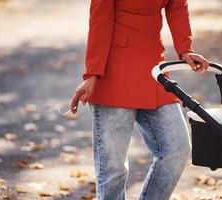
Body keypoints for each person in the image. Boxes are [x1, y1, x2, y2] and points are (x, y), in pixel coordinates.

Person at [70, 0, 208, 199]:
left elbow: (177, 5)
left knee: (177, 148)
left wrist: (185, 49)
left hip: (153, 69)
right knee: (113, 169)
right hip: (114, 71)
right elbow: (100, 20)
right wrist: (92, 74)